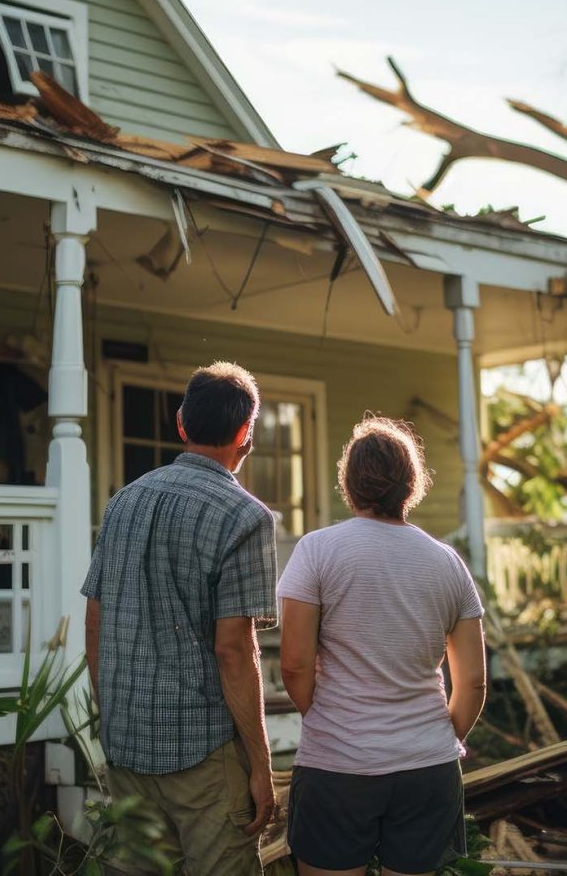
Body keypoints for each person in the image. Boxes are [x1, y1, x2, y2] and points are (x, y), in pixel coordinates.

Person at [83, 361, 278, 876]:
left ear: (181, 424)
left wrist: (112, 718)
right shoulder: (245, 516)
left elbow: (95, 621)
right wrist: (261, 765)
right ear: (245, 434)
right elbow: (234, 649)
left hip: (126, 746)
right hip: (204, 755)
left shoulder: (123, 502)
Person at [277, 415, 488, 876]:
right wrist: (440, 737)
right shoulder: (447, 562)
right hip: (427, 767)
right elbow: (472, 682)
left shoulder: (316, 550)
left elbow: (293, 665)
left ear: (348, 483)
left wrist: (330, 720)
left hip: (337, 765)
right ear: (411, 485)